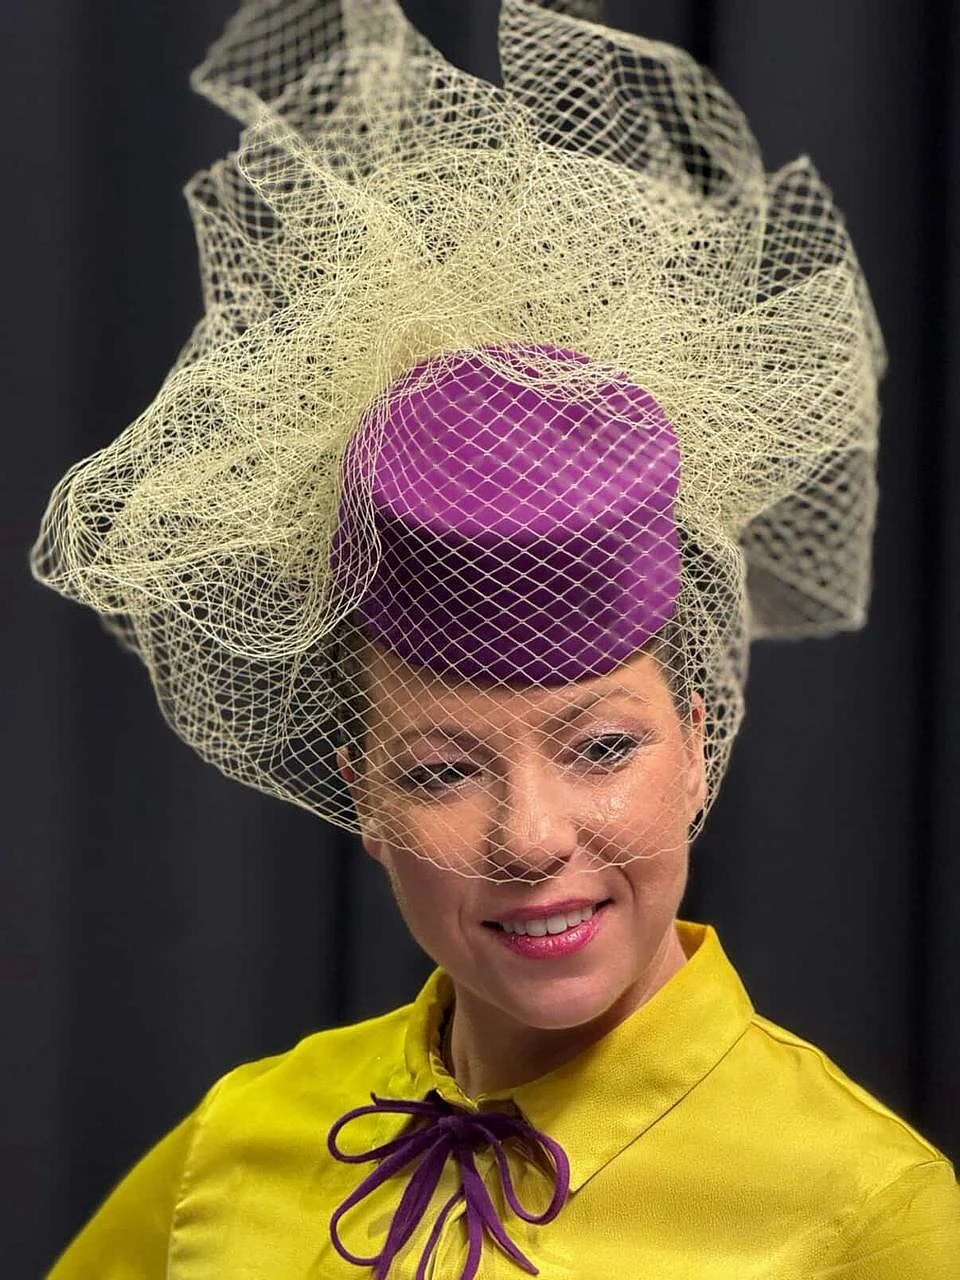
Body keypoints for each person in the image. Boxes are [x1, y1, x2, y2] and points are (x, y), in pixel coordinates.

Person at [34, 0, 960, 1276]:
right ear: (361, 796)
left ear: (699, 743)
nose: (529, 838)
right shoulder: (240, 1145)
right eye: (440, 767)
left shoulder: (868, 1212)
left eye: (601, 745)